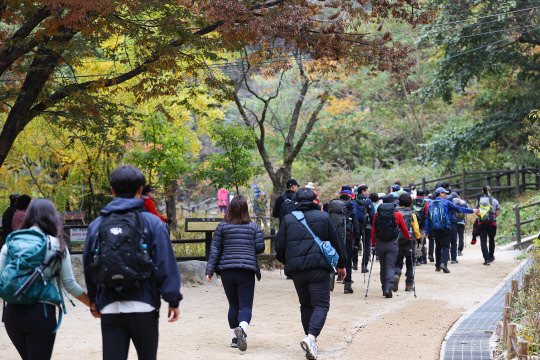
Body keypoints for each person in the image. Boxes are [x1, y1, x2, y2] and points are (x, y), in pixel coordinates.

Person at [83, 165, 182, 360]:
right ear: (140, 189)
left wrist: (94, 300)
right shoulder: (153, 223)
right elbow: (165, 263)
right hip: (144, 304)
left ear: (112, 190)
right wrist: (173, 299)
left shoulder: (97, 225)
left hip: (110, 306)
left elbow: (90, 265)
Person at [0, 198, 92, 360]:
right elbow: (69, 284)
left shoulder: (11, 243)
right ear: (52, 217)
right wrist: (92, 304)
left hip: (12, 314)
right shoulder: (57, 245)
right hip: (41, 314)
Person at [275, 187, 346, 360]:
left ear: (296, 201)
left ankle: (310, 342)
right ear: (315, 200)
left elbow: (279, 246)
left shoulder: (288, 218)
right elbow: (337, 241)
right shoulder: (323, 217)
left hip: (297, 269)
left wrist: (285, 259)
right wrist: (342, 265)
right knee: (321, 305)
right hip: (318, 268)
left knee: (306, 305)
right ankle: (311, 338)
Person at [206, 196, 265, 351]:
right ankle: (243, 330)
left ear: (230, 209)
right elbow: (260, 248)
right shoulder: (254, 227)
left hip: (227, 271)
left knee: (233, 305)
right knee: (245, 306)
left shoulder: (222, 227)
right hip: (246, 270)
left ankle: (234, 338)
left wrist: (209, 270)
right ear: (246, 209)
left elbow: (215, 250)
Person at [425, 187, 478, 273]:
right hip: (446, 227)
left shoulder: (431, 203)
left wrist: (427, 231)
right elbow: (459, 209)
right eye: (444, 193)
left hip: (435, 228)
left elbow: (428, 219)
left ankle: (437, 265)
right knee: (446, 246)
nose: (445, 194)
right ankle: (444, 264)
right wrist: (472, 210)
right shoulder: (446, 203)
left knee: (438, 246)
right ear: (441, 194)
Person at [371, 195, 411, 298]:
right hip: (392, 244)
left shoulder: (377, 214)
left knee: (383, 267)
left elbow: (373, 231)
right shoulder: (397, 214)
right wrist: (409, 238)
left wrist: (373, 243)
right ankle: (389, 288)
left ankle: (384, 289)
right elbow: (404, 229)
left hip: (380, 243)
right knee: (390, 266)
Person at [323, 188, 361, 294]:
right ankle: (347, 285)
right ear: (350, 197)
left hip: (331, 236)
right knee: (347, 260)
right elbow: (356, 224)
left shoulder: (330, 205)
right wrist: (357, 241)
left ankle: (331, 275)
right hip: (347, 236)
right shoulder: (350, 207)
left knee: (330, 256)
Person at [393, 194, 421, 292]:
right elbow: (416, 229)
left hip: (397, 241)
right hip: (409, 242)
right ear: (410, 203)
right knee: (410, 263)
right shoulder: (412, 214)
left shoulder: (395, 213)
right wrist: (419, 238)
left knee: (398, 262)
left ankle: (396, 275)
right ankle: (409, 284)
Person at [475, 186, 500, 265]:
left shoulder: (479, 201)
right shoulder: (495, 201)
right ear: (491, 191)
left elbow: (477, 213)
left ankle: (486, 260)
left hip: (482, 224)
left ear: (483, 192)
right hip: (492, 224)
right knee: (491, 240)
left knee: (483, 241)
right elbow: (497, 214)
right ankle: (491, 256)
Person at [356, 185, 375, 273]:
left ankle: (354, 263)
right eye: (367, 191)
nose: (368, 193)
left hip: (356, 225)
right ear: (363, 192)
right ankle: (364, 265)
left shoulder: (354, 200)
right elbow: (372, 215)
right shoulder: (368, 201)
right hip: (367, 226)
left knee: (355, 244)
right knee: (367, 245)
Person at [452, 190, 468, 257]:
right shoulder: (463, 202)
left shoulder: (452, 202)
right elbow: (467, 209)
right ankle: (459, 250)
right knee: (461, 236)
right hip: (461, 221)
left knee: (453, 237)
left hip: (454, 221)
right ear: (460, 195)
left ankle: (453, 250)